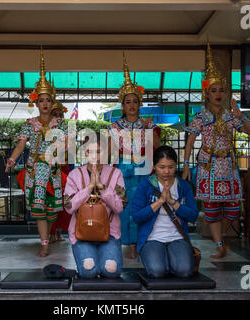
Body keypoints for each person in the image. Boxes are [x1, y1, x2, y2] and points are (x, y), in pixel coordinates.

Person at [182, 43, 250, 259]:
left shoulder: (231, 116)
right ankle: (220, 243)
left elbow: (249, 132)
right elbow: (190, 141)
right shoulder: (200, 117)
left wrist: (240, 116)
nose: (218, 94)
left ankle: (220, 237)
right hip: (209, 166)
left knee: (232, 210)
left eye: (221, 90)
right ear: (207, 93)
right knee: (212, 210)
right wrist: (185, 165)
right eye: (214, 90)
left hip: (228, 167)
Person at [5, 48, 68, 257]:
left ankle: (47, 236)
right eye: (41, 100)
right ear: (36, 102)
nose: (45, 103)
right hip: (35, 170)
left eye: (48, 100)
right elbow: (21, 146)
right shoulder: (28, 124)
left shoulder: (62, 123)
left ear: (53, 102)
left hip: (53, 169)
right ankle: (44, 244)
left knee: (52, 211)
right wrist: (12, 160)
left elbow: (66, 146)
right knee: (39, 208)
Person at [107, 53, 161, 259]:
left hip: (144, 170)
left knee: (143, 204)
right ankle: (123, 243)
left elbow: (157, 147)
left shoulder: (148, 123)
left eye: (135, 101)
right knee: (122, 205)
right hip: (123, 169)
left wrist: (149, 130)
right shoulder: (114, 126)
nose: (131, 105)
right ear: (122, 105)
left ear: (140, 104)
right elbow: (111, 152)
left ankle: (140, 243)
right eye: (128, 102)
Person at [63, 132, 127, 279]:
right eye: (90, 152)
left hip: (110, 233)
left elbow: (119, 207)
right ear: (85, 153)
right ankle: (89, 256)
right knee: (89, 271)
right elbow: (69, 207)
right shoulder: (74, 175)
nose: (95, 156)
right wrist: (89, 187)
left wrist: (102, 188)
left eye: (99, 152)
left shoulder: (115, 174)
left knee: (111, 271)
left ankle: (103, 256)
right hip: (82, 233)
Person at [131, 146, 198, 278]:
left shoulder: (183, 186)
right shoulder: (146, 185)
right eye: (162, 167)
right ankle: (163, 259)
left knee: (184, 271)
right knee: (157, 271)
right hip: (152, 238)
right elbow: (136, 216)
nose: (166, 171)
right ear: (154, 166)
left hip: (177, 237)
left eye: (171, 167)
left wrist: (173, 202)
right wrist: (160, 201)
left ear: (176, 165)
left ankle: (171, 259)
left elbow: (193, 216)